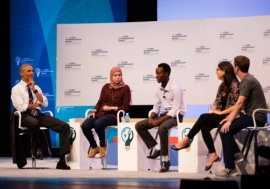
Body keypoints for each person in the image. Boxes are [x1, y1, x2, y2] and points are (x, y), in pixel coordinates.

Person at [171, 61, 240, 171]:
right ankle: (213, 154)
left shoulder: (234, 85)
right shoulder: (222, 85)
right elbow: (216, 102)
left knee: (203, 117)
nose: (216, 72)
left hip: (231, 116)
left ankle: (186, 140)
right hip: (221, 115)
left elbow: (237, 106)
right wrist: (213, 112)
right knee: (204, 127)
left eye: (218, 70)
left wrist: (220, 113)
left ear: (224, 71)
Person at [213, 55, 267, 178]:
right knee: (222, 125)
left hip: (255, 118)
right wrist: (228, 118)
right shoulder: (247, 80)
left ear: (236, 68)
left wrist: (230, 120)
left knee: (224, 129)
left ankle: (230, 168)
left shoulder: (247, 81)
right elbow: (239, 105)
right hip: (252, 116)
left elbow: (240, 104)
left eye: (233, 65)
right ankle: (237, 154)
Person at [11, 64, 71, 170]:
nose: (32, 73)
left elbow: (44, 104)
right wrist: (34, 105)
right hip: (25, 116)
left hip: (38, 115)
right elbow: (21, 107)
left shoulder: (37, 87)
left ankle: (62, 161)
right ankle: (38, 147)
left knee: (65, 126)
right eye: (29, 71)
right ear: (21, 73)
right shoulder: (16, 89)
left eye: (32, 71)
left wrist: (34, 90)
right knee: (34, 123)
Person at [135, 63, 185, 173]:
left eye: (159, 73)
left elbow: (176, 109)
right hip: (164, 115)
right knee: (139, 125)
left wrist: (158, 121)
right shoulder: (158, 89)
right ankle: (156, 146)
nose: (156, 75)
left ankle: (165, 161)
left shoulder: (175, 88)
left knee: (162, 128)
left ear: (166, 74)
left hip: (176, 116)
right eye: (156, 73)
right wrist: (151, 117)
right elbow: (156, 107)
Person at [82, 67, 131, 158]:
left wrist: (111, 108)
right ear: (111, 76)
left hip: (114, 116)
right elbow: (100, 102)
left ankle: (102, 146)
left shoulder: (125, 88)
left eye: (119, 75)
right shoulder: (105, 87)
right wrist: (94, 111)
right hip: (100, 113)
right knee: (85, 125)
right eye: (115, 75)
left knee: (98, 124)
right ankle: (94, 147)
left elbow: (126, 107)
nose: (117, 77)